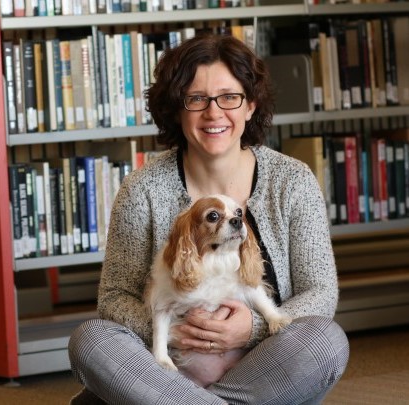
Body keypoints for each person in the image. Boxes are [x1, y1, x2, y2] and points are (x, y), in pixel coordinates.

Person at [67, 34, 349, 404]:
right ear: (177, 109)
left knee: (325, 341)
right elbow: (114, 298)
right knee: (92, 339)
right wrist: (175, 334)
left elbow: (322, 293)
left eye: (229, 97)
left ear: (250, 105)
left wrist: (254, 326)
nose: (213, 113)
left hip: (264, 362)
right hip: (173, 363)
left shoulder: (293, 181)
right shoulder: (143, 189)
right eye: (196, 99)